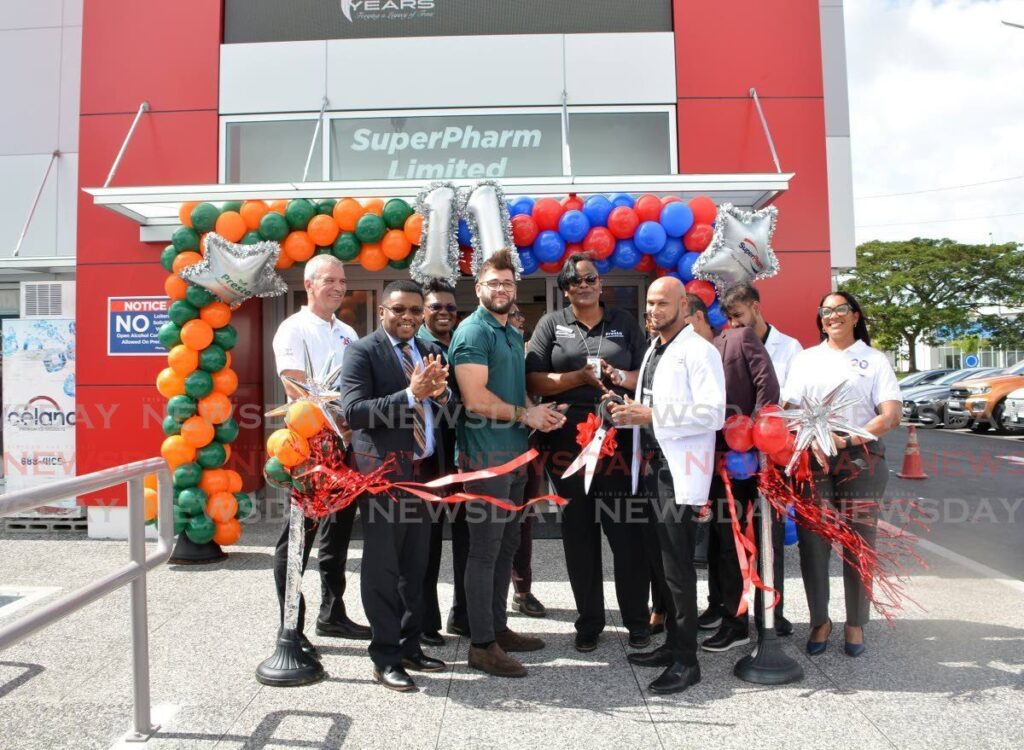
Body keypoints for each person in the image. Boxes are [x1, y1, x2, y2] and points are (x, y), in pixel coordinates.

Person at [449, 249, 566, 678]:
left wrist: (539, 412)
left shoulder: (512, 332)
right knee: (483, 551)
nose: (501, 290)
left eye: (508, 284)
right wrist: (525, 415)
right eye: (493, 283)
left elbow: (516, 392)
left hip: (517, 455)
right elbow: (476, 399)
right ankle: (481, 645)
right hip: (485, 459)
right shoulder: (472, 333)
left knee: (507, 547)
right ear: (479, 288)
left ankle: (497, 628)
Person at [526, 253, 650, 651]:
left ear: (600, 283)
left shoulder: (625, 323)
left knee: (626, 532)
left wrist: (620, 378)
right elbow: (535, 380)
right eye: (573, 281)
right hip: (566, 442)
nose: (583, 285)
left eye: (589, 278)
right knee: (579, 534)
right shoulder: (551, 324)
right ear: (565, 289)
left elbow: (646, 374)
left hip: (619, 437)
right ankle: (590, 622)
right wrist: (576, 377)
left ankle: (636, 619)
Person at [610, 277, 726, 695]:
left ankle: (686, 661)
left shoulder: (700, 350)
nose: (654, 311)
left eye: (662, 303)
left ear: (684, 305)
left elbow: (714, 414)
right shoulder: (655, 349)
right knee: (659, 565)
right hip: (650, 468)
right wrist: (628, 412)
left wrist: (653, 416)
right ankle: (672, 646)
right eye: (650, 305)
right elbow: (648, 405)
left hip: (678, 472)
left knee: (677, 571)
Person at [339, 279, 454, 692]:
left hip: (425, 473)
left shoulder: (430, 350)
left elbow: (446, 405)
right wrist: (410, 393)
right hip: (385, 476)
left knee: (417, 568)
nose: (407, 317)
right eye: (399, 310)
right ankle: (385, 656)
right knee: (383, 568)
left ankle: (410, 645)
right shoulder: (362, 351)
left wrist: (440, 396)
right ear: (382, 311)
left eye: (414, 311)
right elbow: (354, 412)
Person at [784, 291, 901, 658]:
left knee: (858, 543)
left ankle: (855, 623)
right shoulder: (806, 359)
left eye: (840, 310)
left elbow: (890, 415)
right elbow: (788, 408)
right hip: (814, 458)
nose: (832, 316)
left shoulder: (873, 360)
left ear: (855, 316)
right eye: (825, 312)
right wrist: (802, 438)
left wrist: (847, 438)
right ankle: (820, 619)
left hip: (861, 458)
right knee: (813, 544)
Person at [270, 255, 370, 652]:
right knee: (298, 537)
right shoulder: (292, 329)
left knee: (339, 534)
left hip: (345, 446)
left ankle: (333, 613)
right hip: (310, 450)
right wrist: (344, 410)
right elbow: (296, 388)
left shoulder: (347, 332)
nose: (339, 287)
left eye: (343, 280)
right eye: (329, 280)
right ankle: (290, 624)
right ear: (309, 284)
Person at [684, 295, 780, 653]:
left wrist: (749, 437)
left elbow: (768, 388)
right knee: (712, 545)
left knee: (732, 545)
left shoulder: (737, 338)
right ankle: (723, 609)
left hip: (737, 463)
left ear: (696, 316)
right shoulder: (685, 355)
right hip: (701, 463)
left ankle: (736, 623)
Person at [720, 281, 803, 637]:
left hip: (774, 456)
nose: (735, 324)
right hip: (738, 457)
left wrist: (763, 428)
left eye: (739, 315)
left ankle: (772, 611)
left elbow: (794, 396)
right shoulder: (728, 343)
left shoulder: (790, 347)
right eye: (729, 318)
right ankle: (735, 617)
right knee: (736, 536)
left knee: (771, 536)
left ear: (755, 306)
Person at [416, 279, 461, 647]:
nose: (444, 313)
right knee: (425, 546)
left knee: (467, 540)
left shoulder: (461, 343)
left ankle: (462, 614)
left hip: (465, 459)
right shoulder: (414, 348)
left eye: (450, 308)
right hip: (429, 463)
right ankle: (425, 621)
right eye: (436, 307)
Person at [509, 303, 547, 618]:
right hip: (494, 451)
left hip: (532, 449)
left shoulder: (532, 358)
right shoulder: (486, 354)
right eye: (511, 317)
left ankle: (522, 591)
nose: (517, 321)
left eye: (520, 317)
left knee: (524, 522)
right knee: (492, 527)